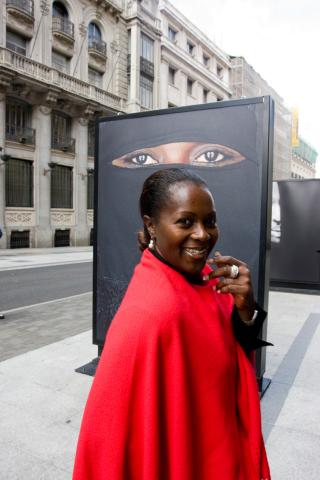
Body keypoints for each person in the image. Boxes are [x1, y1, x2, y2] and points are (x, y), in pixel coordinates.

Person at [73, 168, 271, 480]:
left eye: (210, 221)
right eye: (185, 221)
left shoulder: (207, 279)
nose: (203, 234)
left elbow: (234, 347)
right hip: (190, 458)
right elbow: (107, 432)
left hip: (220, 446)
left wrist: (246, 310)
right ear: (152, 226)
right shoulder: (152, 311)